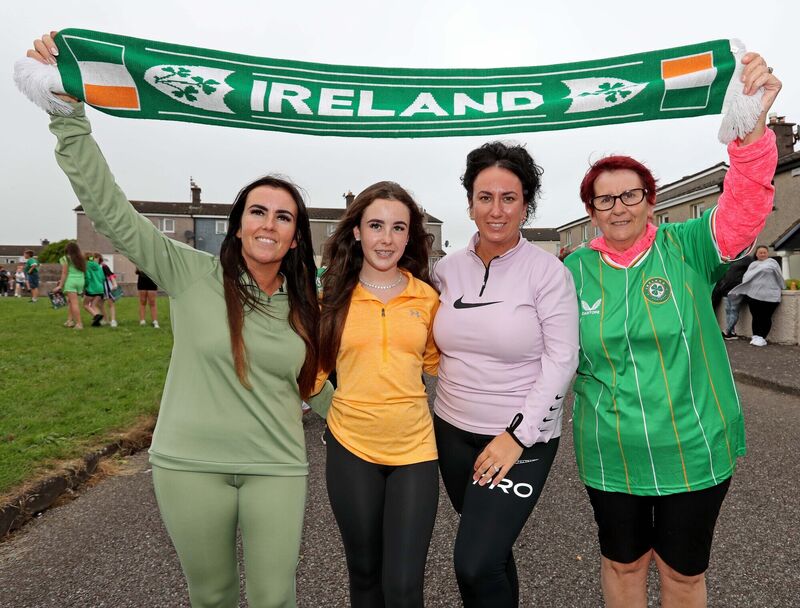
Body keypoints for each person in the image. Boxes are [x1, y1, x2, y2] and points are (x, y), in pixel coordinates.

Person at [26, 32, 333, 608]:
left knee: (276, 597)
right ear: (238, 224)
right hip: (190, 464)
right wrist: (68, 117)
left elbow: (314, 385)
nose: (269, 223)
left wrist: (390, 420)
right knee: (211, 596)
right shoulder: (191, 272)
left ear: (296, 237)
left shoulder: (303, 304)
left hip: (277, 467)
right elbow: (110, 211)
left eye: (284, 216)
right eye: (257, 212)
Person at [562, 54, 780, 608]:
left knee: (682, 574)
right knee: (623, 565)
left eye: (630, 194)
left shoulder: (687, 247)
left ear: (650, 200)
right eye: (604, 199)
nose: (618, 208)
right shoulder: (570, 272)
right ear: (591, 210)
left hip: (694, 447)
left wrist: (750, 134)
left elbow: (744, 207)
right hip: (610, 452)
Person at [431, 142, 579, 607]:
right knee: (491, 552)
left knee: (474, 563)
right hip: (451, 430)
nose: (497, 210)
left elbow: (562, 359)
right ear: (470, 203)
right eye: (485, 197)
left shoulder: (548, 273)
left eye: (509, 198)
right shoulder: (445, 270)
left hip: (521, 438)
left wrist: (517, 436)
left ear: (526, 205)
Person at [318, 182, 439, 607]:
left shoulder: (426, 298)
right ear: (356, 232)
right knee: (365, 577)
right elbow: (309, 374)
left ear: (409, 236)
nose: (386, 239)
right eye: (375, 225)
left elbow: (441, 363)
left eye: (397, 227)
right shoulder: (329, 300)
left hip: (415, 451)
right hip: (352, 448)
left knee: (405, 586)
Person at [727, 245, 785, 346]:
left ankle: (762, 337)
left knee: (766, 317)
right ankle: (756, 336)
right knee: (756, 317)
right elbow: (746, 278)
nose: (762, 254)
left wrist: (783, 286)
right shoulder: (753, 265)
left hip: (770, 296)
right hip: (754, 296)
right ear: (756, 254)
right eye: (760, 252)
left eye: (764, 252)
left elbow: (779, 276)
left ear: (767, 253)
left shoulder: (772, 263)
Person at [711, 254, 753, 340]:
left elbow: (752, 272)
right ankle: (731, 333)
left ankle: (727, 331)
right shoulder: (730, 259)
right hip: (726, 289)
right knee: (728, 312)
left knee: (733, 310)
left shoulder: (747, 259)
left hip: (737, 288)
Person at [55, 241, 87, 329]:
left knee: (74, 303)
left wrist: (60, 285)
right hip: (80, 281)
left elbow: (64, 273)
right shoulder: (82, 258)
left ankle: (79, 324)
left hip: (71, 281)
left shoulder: (65, 258)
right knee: (71, 302)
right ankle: (70, 321)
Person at [96, 253, 118, 327]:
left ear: (100, 259)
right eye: (94, 257)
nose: (95, 259)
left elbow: (111, 275)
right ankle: (106, 319)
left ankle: (113, 320)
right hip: (99, 288)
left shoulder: (104, 266)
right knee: (99, 304)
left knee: (110, 304)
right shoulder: (93, 267)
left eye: (97, 257)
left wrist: (114, 284)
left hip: (107, 287)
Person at [83, 253, 105, 326]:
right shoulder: (99, 266)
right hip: (100, 289)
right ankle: (97, 322)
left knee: (85, 305)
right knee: (93, 305)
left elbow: (88, 278)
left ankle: (96, 316)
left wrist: (85, 286)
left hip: (91, 289)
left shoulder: (87, 266)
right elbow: (103, 278)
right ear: (92, 258)